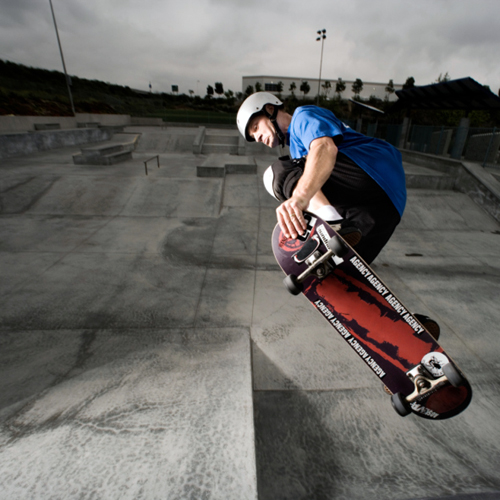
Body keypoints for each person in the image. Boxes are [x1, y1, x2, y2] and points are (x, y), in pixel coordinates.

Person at [236, 91, 440, 339]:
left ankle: (332, 223)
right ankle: (405, 329)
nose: (258, 137)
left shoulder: (303, 116)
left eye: (256, 127)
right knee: (341, 276)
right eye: (253, 136)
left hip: (370, 171)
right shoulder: (297, 148)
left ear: (269, 109)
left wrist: (298, 199)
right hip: (384, 210)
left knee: (276, 174)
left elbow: (324, 147)